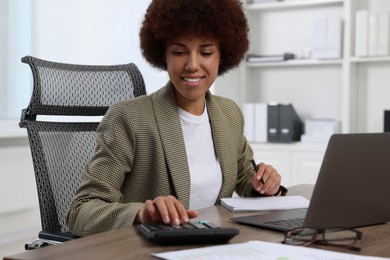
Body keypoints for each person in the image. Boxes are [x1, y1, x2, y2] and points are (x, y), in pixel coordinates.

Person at [67, 0, 286, 237]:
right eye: (179, 52)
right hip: (149, 250)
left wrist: (264, 185)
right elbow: (81, 211)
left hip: (214, 243)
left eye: (206, 52)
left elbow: (243, 177)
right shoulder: (130, 119)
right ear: (164, 56)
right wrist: (142, 215)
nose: (192, 65)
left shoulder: (229, 114)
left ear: (221, 56)